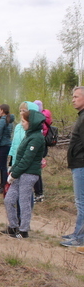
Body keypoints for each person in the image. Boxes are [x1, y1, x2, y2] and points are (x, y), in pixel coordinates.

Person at [2, 109, 45, 239]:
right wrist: (13, 169)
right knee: (9, 200)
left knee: (24, 201)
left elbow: (27, 160)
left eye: (24, 121)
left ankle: (23, 230)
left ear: (31, 123)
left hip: (29, 174)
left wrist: (13, 174)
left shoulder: (36, 138)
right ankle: (13, 226)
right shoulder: (29, 135)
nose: (22, 124)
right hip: (19, 172)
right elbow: (20, 157)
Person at [62, 86, 84, 247]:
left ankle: (80, 238)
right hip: (78, 164)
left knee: (81, 202)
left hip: (81, 164)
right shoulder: (81, 116)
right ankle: (77, 233)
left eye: (76, 96)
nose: (73, 99)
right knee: (80, 201)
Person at [0, 104, 14, 192]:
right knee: (3, 165)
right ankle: (2, 184)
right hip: (7, 144)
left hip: (2, 145)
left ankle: (3, 185)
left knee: (2, 166)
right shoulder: (9, 120)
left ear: (2, 110)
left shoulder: (2, 121)